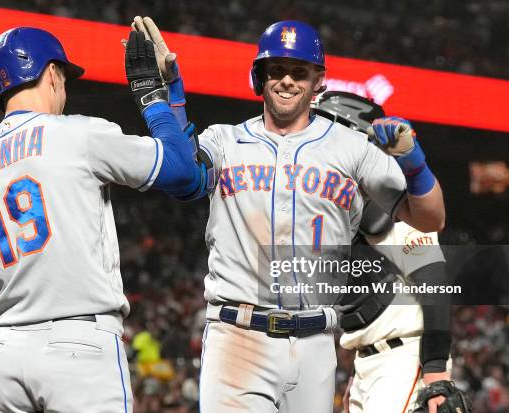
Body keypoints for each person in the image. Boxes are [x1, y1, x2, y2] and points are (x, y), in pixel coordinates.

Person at [133, 18, 445, 413]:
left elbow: (431, 219)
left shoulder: (352, 148)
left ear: (319, 82)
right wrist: (168, 99)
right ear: (258, 78)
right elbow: (181, 179)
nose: (287, 81)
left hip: (316, 342)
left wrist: (414, 162)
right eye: (276, 70)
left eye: (300, 72)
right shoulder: (223, 140)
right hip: (238, 335)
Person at [0, 27, 199, 413]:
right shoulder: (79, 134)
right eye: (64, 79)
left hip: (4, 358)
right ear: (52, 73)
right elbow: (181, 172)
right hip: (79, 348)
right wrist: (156, 96)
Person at [309, 91, 458, 413]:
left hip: (406, 358)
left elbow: (435, 284)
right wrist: (356, 376)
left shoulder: (390, 203)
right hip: (368, 362)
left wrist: (435, 371)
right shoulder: (341, 207)